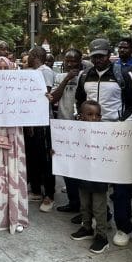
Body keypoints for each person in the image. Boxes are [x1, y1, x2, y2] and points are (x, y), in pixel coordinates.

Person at [76, 38, 132, 246]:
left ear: (109, 54)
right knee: (92, 182)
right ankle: (98, 220)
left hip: (115, 133)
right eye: (94, 56)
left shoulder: (122, 75)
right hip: (91, 136)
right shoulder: (85, 75)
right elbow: (79, 101)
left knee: (119, 186)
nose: (98, 60)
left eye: (101, 56)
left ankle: (123, 226)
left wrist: (122, 124)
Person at [0, 55, 29, 234]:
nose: (2, 71)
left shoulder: (20, 89)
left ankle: (15, 216)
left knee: (13, 172)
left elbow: (30, 107)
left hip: (14, 137)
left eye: (5, 68)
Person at [48, 49, 89, 212]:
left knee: (81, 167)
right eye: (67, 60)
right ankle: (73, 202)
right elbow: (54, 98)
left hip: (81, 127)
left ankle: (84, 205)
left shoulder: (86, 76)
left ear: (80, 61)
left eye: (74, 60)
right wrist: (66, 78)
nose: (70, 63)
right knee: (66, 167)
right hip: (64, 126)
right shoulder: (59, 77)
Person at [69, 101, 111, 254]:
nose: (94, 118)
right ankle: (86, 227)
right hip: (83, 174)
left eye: (98, 115)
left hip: (99, 177)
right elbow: (69, 147)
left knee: (99, 207)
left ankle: (102, 236)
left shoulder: (105, 133)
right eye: (90, 114)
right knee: (84, 203)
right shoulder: (76, 132)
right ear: (80, 117)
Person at [25, 46, 57, 211]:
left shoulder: (45, 71)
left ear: (36, 56)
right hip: (33, 121)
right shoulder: (32, 70)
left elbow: (43, 97)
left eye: (29, 55)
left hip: (43, 121)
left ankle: (49, 195)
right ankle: (36, 190)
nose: (27, 57)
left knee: (46, 158)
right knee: (34, 156)